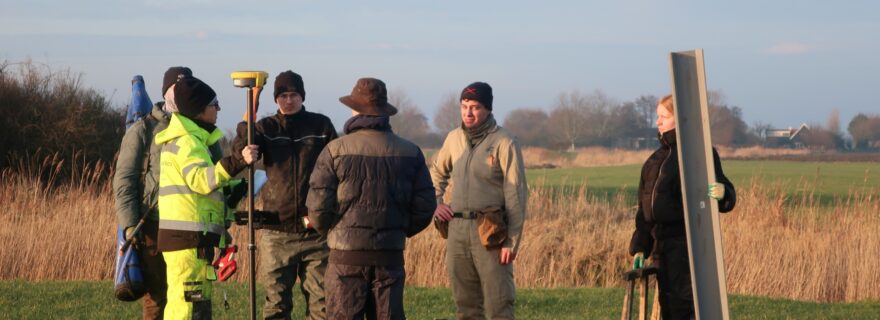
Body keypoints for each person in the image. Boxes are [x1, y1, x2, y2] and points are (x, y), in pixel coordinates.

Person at [306, 77, 436, 320]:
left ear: (355, 110)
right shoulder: (411, 152)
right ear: (384, 111)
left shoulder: (334, 150)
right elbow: (426, 206)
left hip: (345, 258)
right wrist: (399, 230)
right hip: (390, 256)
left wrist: (332, 231)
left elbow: (318, 207)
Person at [113, 66, 221, 319]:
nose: (180, 92)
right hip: (152, 225)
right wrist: (130, 225)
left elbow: (216, 174)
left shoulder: (204, 131)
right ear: (165, 93)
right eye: (175, 87)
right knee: (157, 297)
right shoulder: (143, 129)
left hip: (192, 228)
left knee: (192, 295)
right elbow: (124, 180)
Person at [231, 70, 338, 319]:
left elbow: (338, 169)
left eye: (293, 95)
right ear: (276, 99)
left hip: (316, 232)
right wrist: (253, 98)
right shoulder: (266, 128)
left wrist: (328, 213)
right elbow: (240, 149)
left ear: (302, 96)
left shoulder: (321, 126)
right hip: (276, 233)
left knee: (322, 304)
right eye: (283, 96)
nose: (288, 101)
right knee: (276, 305)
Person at [154, 76, 258, 319]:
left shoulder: (190, 140)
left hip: (188, 239)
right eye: (214, 104)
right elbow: (201, 180)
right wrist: (237, 161)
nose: (219, 108)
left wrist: (233, 188)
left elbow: (197, 189)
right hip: (187, 240)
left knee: (194, 303)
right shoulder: (188, 142)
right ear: (198, 110)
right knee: (188, 306)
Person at [628, 94, 736, 320]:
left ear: (680, 119)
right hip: (660, 249)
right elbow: (644, 211)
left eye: (664, 117)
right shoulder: (653, 161)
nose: (658, 122)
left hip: (687, 248)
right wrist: (640, 246)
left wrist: (724, 193)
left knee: (686, 308)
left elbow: (725, 191)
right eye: (657, 116)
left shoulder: (699, 154)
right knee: (668, 306)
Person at [430, 81, 528, 320]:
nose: (468, 113)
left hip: (491, 232)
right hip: (457, 230)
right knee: (465, 307)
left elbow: (516, 195)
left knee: (498, 305)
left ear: (488, 109)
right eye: (464, 106)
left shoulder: (505, 141)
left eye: (475, 107)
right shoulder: (453, 138)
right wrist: (436, 203)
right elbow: (436, 173)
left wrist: (511, 242)